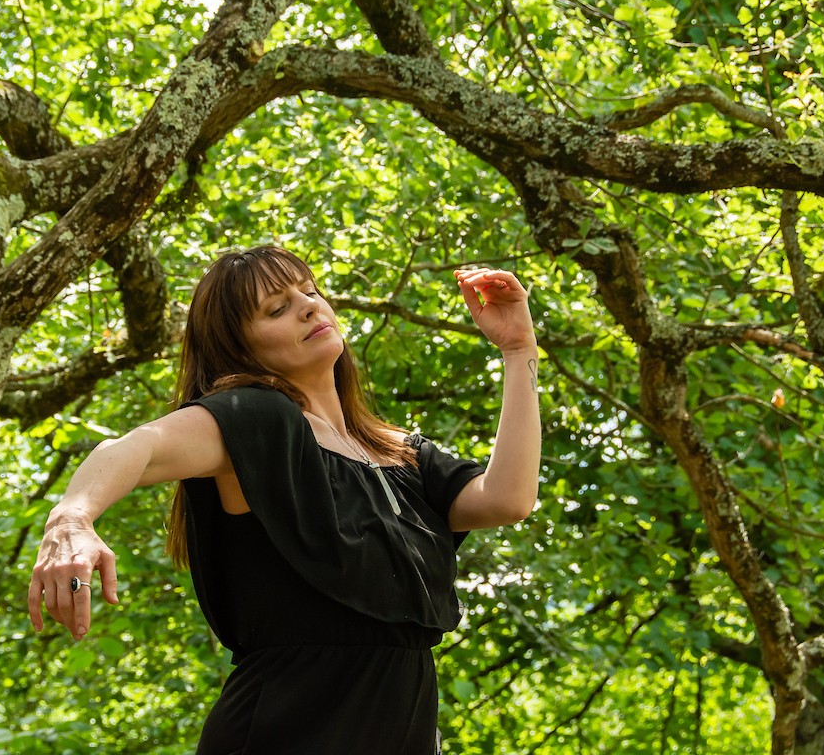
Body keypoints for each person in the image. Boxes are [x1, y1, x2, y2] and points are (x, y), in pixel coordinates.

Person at [28, 245, 540, 754]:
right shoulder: (259, 419)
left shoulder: (399, 452)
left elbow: (508, 499)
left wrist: (519, 350)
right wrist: (72, 519)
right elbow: (138, 447)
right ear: (239, 347)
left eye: (310, 291)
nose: (309, 307)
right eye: (277, 308)